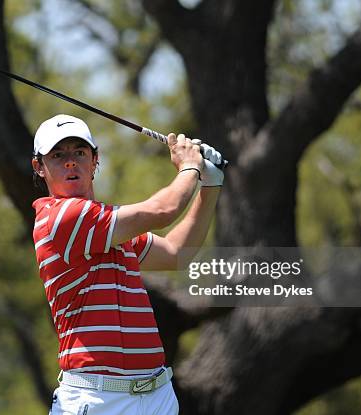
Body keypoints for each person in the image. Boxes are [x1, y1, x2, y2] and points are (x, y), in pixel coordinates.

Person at [31, 114, 224, 415]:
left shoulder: (107, 229)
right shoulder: (60, 219)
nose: (70, 162)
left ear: (95, 161)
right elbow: (164, 210)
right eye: (58, 155)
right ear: (39, 167)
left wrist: (210, 184)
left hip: (156, 395)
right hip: (97, 401)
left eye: (79, 153)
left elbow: (176, 252)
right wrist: (189, 167)